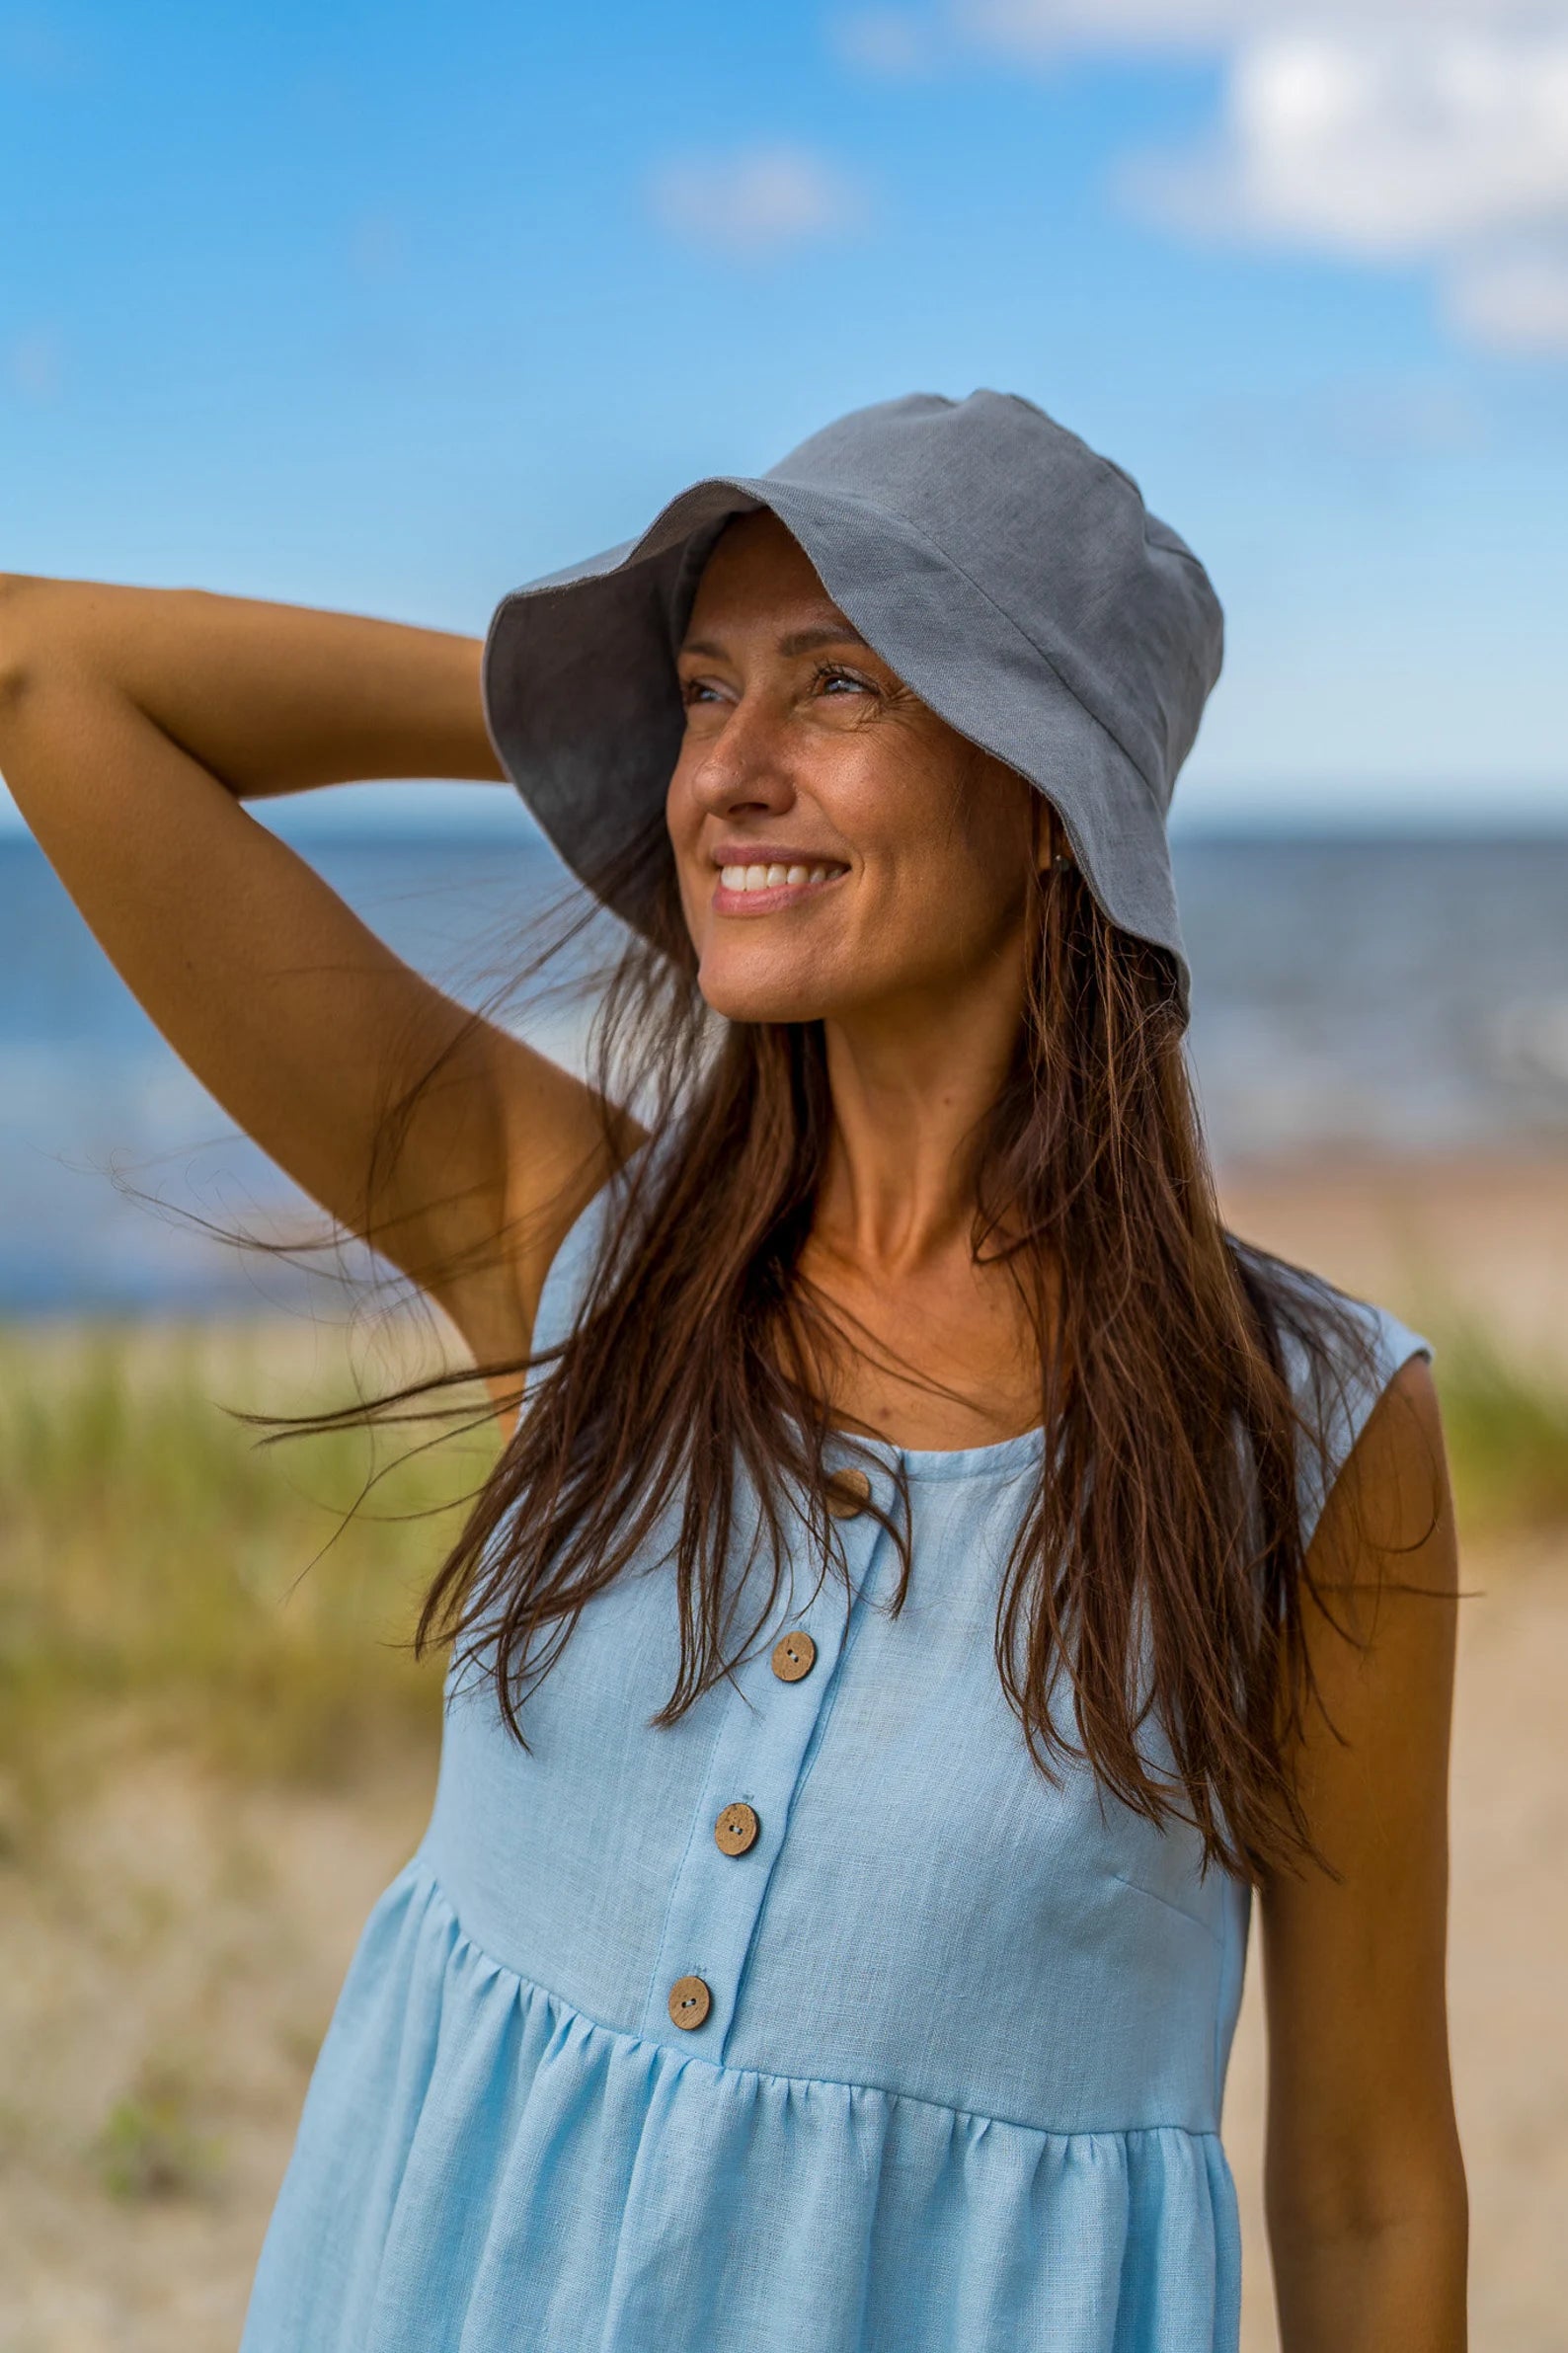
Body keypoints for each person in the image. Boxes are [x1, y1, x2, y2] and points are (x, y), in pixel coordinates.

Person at [0, 391, 1465, 2351]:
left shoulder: (1303, 1432)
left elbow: (1360, 2182)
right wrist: (599, 733)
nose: (725, 775)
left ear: (1047, 796)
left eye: (839, 685)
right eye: (701, 693)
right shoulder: (563, 1241)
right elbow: (44, 668)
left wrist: (737, 731)